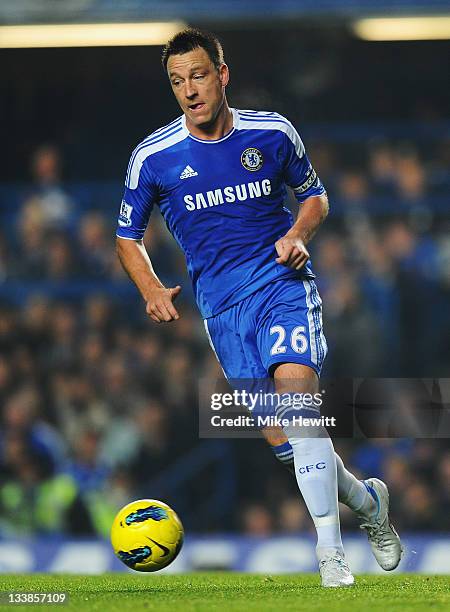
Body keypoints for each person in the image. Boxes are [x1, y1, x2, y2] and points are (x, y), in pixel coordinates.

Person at [115, 28, 402, 587]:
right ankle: (368, 505)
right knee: (285, 442)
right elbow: (127, 237)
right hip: (222, 315)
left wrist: (298, 233)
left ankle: (331, 555)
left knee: (299, 402)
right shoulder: (153, 156)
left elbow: (315, 196)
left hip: (282, 286)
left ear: (223, 75)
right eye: (177, 81)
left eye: (198, 75)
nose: (189, 91)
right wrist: (150, 289)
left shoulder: (272, 133)